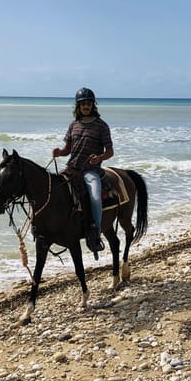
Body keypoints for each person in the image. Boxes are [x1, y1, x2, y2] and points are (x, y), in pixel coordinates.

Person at [52, 87, 114, 257]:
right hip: (72, 168)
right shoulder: (73, 125)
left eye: (89, 103)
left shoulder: (102, 126)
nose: (86, 106)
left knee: (94, 196)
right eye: (83, 103)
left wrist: (99, 158)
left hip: (90, 171)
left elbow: (110, 152)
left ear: (93, 105)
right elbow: (67, 149)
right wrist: (59, 152)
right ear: (78, 106)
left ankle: (96, 232)